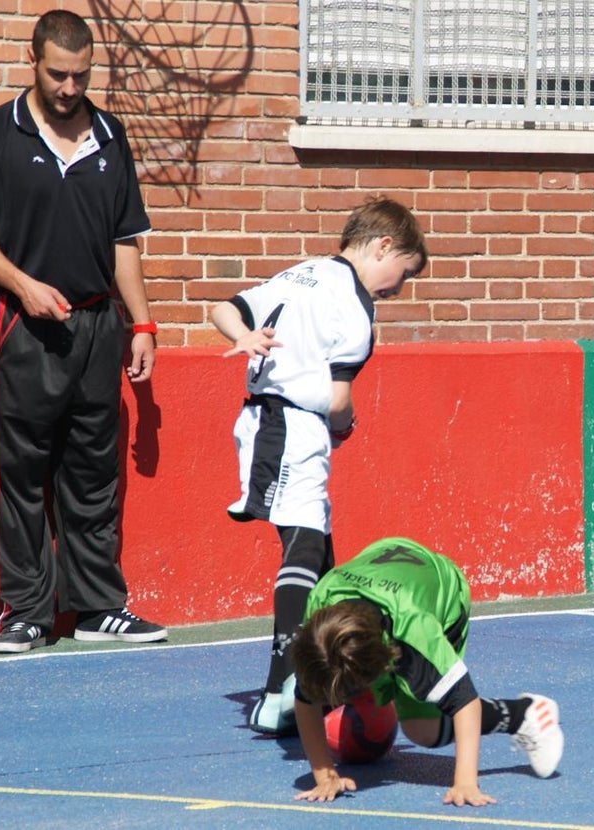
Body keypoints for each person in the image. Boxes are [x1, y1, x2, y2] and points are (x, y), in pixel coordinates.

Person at [0, 10, 167, 655]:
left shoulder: (111, 135)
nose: (70, 88)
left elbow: (125, 241)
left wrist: (141, 323)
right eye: (58, 75)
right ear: (33, 61)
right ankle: (25, 613)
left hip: (98, 328)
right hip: (21, 328)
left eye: (81, 75)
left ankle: (97, 607)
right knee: (19, 474)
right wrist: (23, 286)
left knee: (93, 475)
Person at [211, 198, 427, 736]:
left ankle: (321, 672)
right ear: (383, 247)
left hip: (268, 422)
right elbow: (337, 401)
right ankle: (281, 690)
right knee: (304, 545)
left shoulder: (299, 273)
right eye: (403, 274)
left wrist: (242, 336)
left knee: (323, 564)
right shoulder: (354, 307)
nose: (398, 289)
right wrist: (347, 426)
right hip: (290, 425)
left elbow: (224, 309)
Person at [289, 537, 564, 807]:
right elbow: (305, 698)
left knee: (423, 731)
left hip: (442, 588)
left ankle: (521, 714)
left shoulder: (416, 639)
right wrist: (325, 775)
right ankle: (371, 696)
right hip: (387, 562)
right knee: (333, 680)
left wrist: (465, 782)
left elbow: (465, 702)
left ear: (385, 663)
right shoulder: (319, 619)